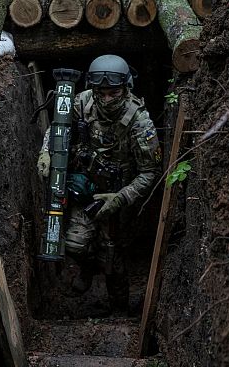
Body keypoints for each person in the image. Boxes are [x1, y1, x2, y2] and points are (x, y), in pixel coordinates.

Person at [36, 54, 161, 315]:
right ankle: (86, 269)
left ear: (126, 88)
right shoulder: (82, 102)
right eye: (101, 93)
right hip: (85, 189)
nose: (106, 99)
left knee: (114, 258)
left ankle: (120, 310)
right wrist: (47, 151)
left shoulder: (140, 121)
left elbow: (150, 173)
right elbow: (58, 127)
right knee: (75, 244)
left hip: (120, 196)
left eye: (113, 93)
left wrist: (120, 198)